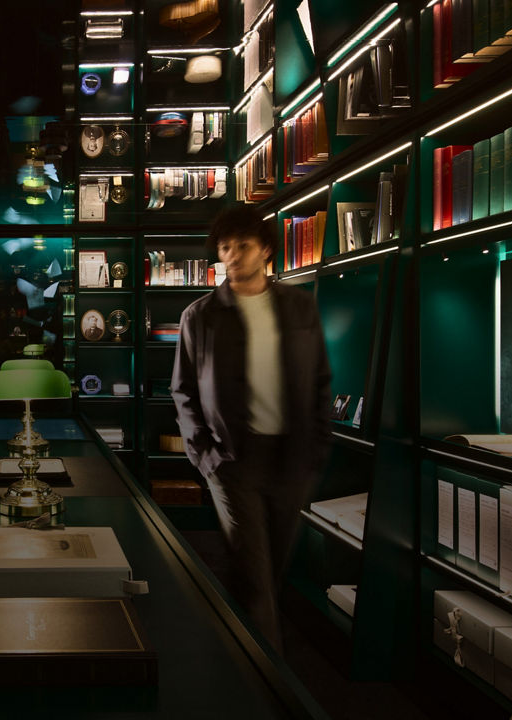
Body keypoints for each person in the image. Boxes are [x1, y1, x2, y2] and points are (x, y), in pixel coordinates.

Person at [171, 204, 332, 654]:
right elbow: (182, 392)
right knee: (256, 574)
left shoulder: (299, 307)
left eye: (242, 246)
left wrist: (316, 448)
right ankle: (268, 685)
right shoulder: (199, 316)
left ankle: (235, 654)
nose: (232, 256)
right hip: (232, 460)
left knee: (269, 570)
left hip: (292, 460)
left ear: (265, 249)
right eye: (225, 248)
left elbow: (320, 380)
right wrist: (205, 457)